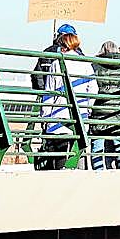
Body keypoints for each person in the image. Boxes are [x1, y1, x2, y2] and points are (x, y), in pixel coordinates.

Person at [36, 32, 97, 169]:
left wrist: (45, 118)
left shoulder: (57, 63)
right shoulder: (86, 64)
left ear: (63, 46)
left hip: (59, 116)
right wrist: (87, 109)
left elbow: (49, 92)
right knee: (77, 153)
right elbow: (93, 90)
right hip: (80, 117)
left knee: (59, 157)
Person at [90, 40, 120, 169]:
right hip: (118, 110)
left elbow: (91, 86)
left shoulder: (95, 65)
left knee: (97, 145)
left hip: (99, 111)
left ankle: (98, 173)